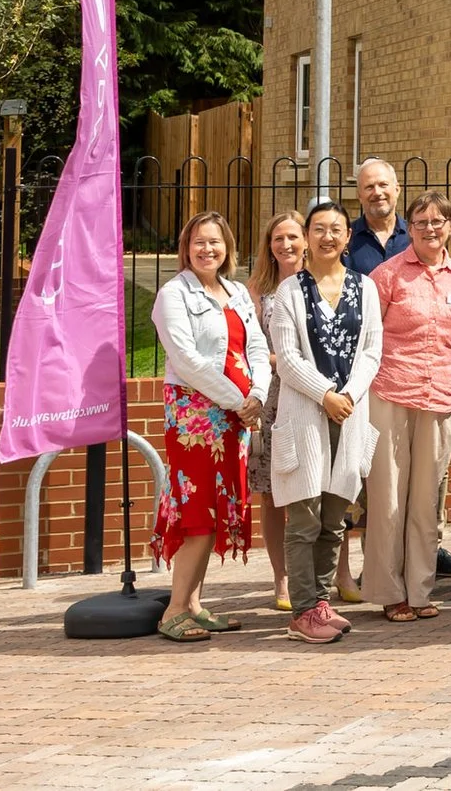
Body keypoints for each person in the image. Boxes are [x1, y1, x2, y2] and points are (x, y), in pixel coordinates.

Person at [266, 199, 385, 643]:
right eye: (319, 229)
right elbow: (288, 358)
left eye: (336, 229)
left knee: (336, 517)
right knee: (304, 518)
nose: (328, 237)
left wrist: (348, 396)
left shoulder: (365, 288)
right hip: (306, 415)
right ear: (308, 237)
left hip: (350, 415)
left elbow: (372, 350)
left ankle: (319, 603)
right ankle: (301, 611)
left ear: (347, 236)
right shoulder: (290, 292)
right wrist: (326, 395)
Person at [150, 211, 270, 640]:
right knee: (197, 512)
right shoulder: (173, 294)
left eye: (215, 242)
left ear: (227, 248)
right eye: (199, 242)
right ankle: (174, 611)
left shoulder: (237, 292)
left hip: (236, 417)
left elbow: (256, 346)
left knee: (217, 510)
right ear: (187, 247)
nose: (207, 250)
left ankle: (195, 605)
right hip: (195, 417)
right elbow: (187, 360)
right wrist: (239, 400)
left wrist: (257, 394)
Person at [363, 191, 451, 621]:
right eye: (421, 222)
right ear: (410, 227)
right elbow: (368, 338)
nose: (430, 229)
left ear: (450, 226)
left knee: (428, 499)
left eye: (438, 221)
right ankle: (390, 591)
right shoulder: (386, 276)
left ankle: (421, 589)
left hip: (441, 394)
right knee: (389, 497)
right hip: (391, 391)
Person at [246, 209, 306, 611]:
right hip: (271, 397)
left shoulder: (318, 282)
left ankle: (326, 574)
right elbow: (250, 345)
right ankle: (281, 578)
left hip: (313, 393)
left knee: (315, 488)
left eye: (292, 237)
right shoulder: (256, 290)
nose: (286, 245)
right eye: (278, 238)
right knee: (271, 494)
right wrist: (279, 360)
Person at [344, 157, 409, 277]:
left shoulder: (415, 236)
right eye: (369, 187)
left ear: (397, 190)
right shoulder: (345, 239)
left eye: (383, 185)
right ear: (359, 195)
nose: (377, 192)